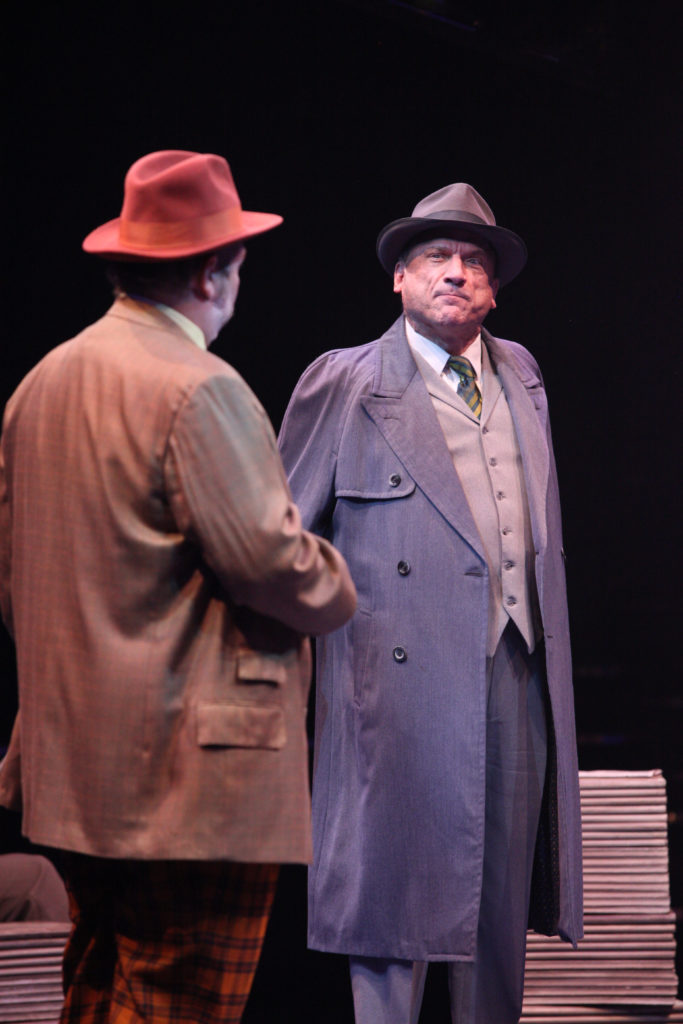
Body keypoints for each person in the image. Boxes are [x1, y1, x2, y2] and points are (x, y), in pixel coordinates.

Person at [0, 150, 356, 1024]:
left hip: (73, 768)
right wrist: (342, 582)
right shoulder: (199, 389)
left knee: (96, 992)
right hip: (188, 784)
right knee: (176, 1007)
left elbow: (19, 584)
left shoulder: (41, 382)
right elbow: (270, 565)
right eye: (235, 264)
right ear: (212, 272)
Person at [278, 183, 583, 1024]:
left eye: (473, 262)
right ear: (399, 281)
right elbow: (278, 543)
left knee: (497, 905)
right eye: (436, 259)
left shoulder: (520, 371)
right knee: (392, 902)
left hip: (512, 666)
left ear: (492, 288)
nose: (456, 272)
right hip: (393, 686)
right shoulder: (344, 381)